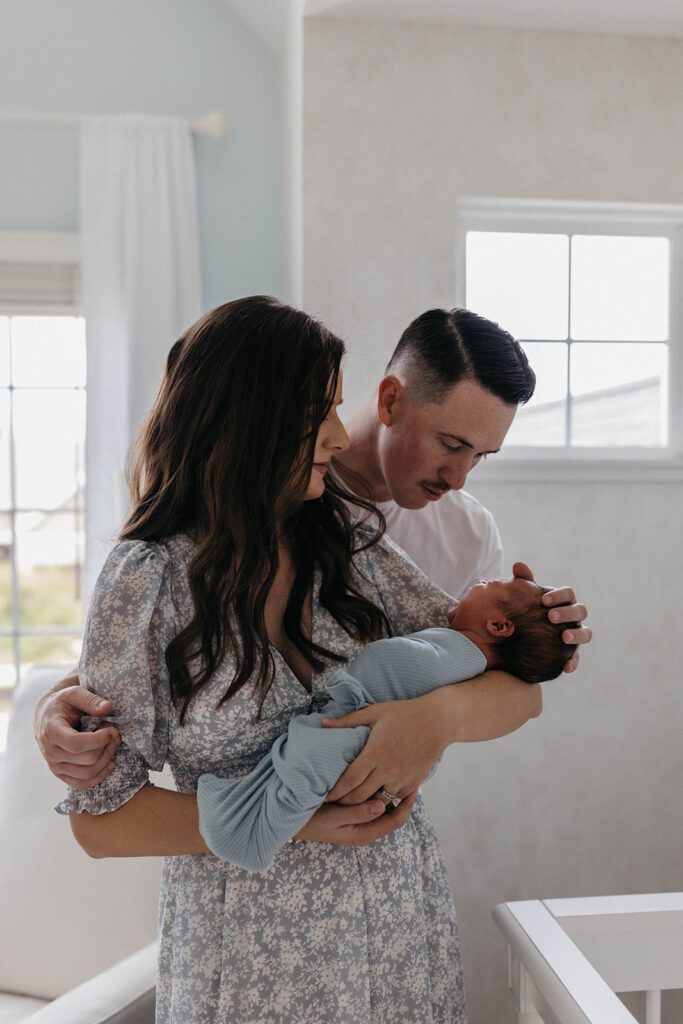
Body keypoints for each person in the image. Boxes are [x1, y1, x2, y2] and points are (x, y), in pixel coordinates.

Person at [56, 295, 536, 1023]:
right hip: (248, 962)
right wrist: (298, 821)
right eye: (321, 412)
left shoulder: (347, 541)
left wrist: (458, 698)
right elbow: (100, 822)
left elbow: (496, 671)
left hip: (398, 929)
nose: (340, 436)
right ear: (249, 421)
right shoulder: (146, 579)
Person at [35, 304, 590, 844]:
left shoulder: (428, 536)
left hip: (390, 868)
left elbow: (515, 686)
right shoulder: (188, 558)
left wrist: (443, 712)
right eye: (451, 444)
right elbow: (145, 667)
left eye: (482, 456)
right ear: (390, 400)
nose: (461, 477)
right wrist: (58, 700)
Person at [196, 570, 576, 872]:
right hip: (361, 733)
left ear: (498, 626)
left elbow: (529, 698)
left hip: (366, 741)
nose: (480, 580)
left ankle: (255, 832)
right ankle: (250, 818)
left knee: (310, 759)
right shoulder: (454, 646)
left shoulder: (463, 656)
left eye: (491, 584)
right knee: (303, 756)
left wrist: (438, 716)